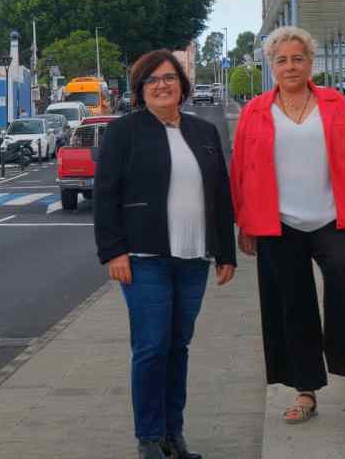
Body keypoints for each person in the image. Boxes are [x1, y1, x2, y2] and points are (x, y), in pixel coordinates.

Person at [230, 26, 345, 425]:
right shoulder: (255, 111)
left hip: (332, 217)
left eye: (298, 58)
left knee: (341, 279)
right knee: (292, 303)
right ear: (271, 66)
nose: (290, 66)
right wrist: (245, 223)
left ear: (310, 63)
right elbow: (240, 171)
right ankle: (304, 389)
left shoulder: (334, 103)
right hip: (278, 223)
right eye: (282, 60)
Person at [94, 50, 236, 459]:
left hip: (193, 258)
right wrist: (113, 252)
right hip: (144, 258)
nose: (162, 85)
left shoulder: (203, 131)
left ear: (182, 85)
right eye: (152, 79)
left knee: (178, 347)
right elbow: (106, 195)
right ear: (140, 89)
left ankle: (174, 435)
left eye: (169, 77)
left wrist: (225, 252)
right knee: (152, 347)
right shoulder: (124, 132)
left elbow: (220, 194)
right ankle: (150, 439)